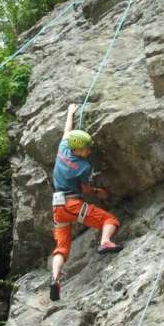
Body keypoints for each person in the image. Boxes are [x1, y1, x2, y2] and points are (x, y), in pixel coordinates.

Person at [49, 103, 123, 301]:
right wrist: (98, 192)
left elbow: (67, 131)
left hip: (57, 208)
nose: (88, 151)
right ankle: (105, 242)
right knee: (110, 220)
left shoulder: (64, 147)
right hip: (72, 204)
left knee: (62, 247)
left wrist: (70, 113)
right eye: (85, 149)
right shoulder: (83, 167)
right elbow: (84, 189)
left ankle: (55, 277)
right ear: (78, 149)